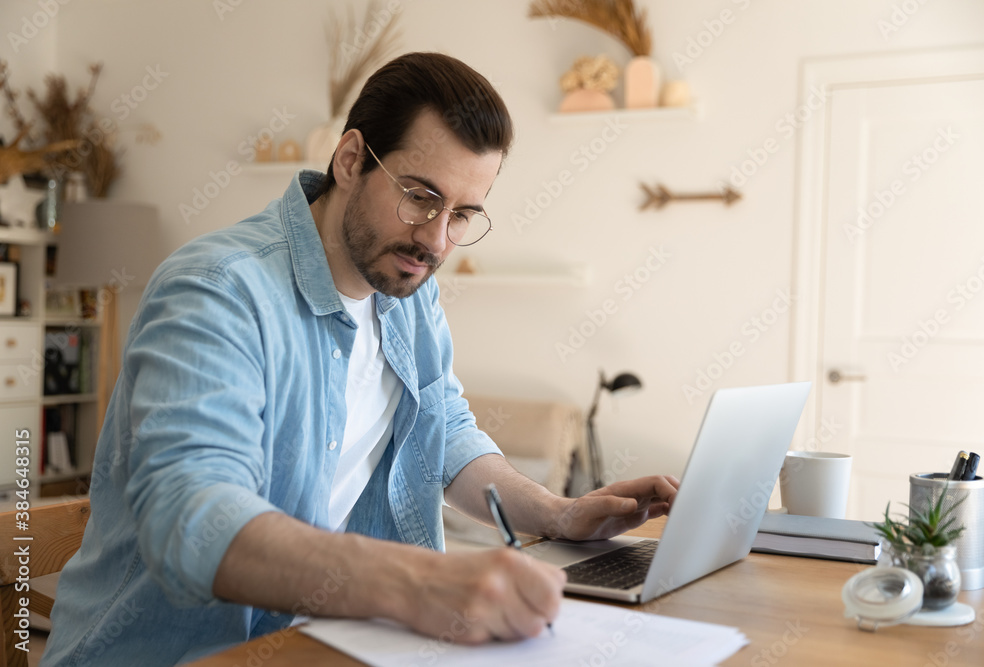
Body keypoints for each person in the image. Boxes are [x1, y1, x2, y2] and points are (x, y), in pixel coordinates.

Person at [41, 52, 679, 665]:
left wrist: (559, 513)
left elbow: (445, 432)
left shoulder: (404, 289)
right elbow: (192, 520)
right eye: (420, 196)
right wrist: (422, 582)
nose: (435, 239)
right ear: (351, 159)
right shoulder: (218, 291)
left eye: (461, 215)